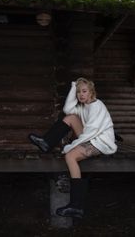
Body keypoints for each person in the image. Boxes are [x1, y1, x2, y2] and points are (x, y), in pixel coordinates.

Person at [28, 77, 118, 219]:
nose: (81, 94)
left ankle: (76, 206)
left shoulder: (97, 106)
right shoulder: (82, 106)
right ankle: (46, 143)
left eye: (84, 91)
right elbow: (67, 109)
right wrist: (72, 87)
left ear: (91, 93)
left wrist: (70, 147)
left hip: (100, 140)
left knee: (70, 156)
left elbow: (90, 133)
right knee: (70, 117)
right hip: (91, 136)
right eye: (78, 92)